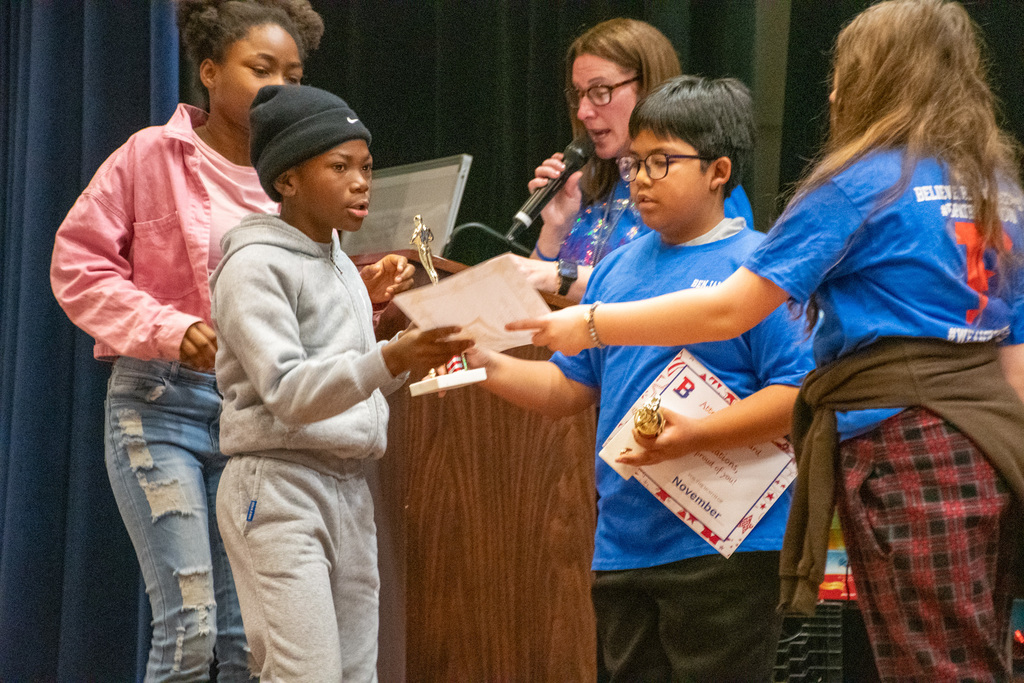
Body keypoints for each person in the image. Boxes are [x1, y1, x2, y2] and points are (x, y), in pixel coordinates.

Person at [511, 1, 1024, 679]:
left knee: (925, 660)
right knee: (969, 642)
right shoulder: (998, 187)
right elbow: (1014, 358)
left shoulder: (863, 181)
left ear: (880, 78)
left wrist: (593, 320)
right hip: (992, 441)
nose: (836, 92)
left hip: (903, 442)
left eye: (847, 74)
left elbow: (731, 309)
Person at [49, 2, 410, 679]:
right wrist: (170, 328)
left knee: (249, 640)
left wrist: (370, 284)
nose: (279, 86)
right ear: (210, 72)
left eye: (293, 73)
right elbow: (77, 263)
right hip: (164, 407)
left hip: (265, 421)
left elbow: (294, 295)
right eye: (261, 68)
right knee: (191, 627)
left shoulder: (302, 172)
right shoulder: (151, 157)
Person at [473, 76, 812, 682]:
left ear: (718, 171)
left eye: (663, 161)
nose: (642, 178)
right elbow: (568, 390)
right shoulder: (615, 271)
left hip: (726, 547)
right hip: (624, 544)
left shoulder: (758, 271)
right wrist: (485, 364)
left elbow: (798, 396)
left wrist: (699, 436)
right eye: (635, 163)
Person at [211, 84, 472, 681]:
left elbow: (355, 387)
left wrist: (411, 362)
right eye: (340, 166)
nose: (362, 182)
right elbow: (290, 392)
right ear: (287, 181)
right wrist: (391, 357)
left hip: (351, 488)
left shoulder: (342, 268)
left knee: (357, 673)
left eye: (367, 167)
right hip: (277, 488)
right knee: (305, 674)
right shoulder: (254, 265)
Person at [510, 18, 754, 301]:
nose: (583, 112)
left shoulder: (705, 185)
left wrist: (562, 277)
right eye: (579, 95)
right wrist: (555, 229)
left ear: (649, 88)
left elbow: (695, 291)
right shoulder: (584, 185)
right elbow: (532, 303)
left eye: (600, 92)